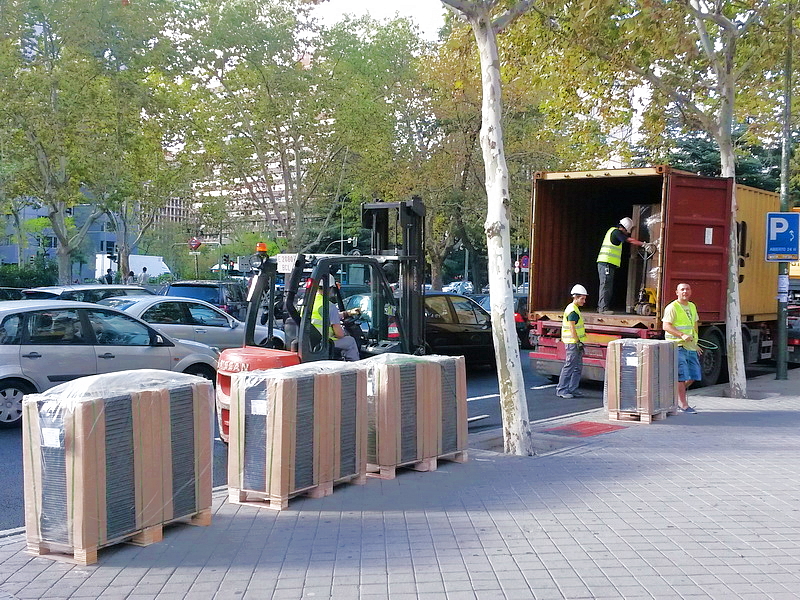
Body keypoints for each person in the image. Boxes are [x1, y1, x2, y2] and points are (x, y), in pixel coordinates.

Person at [596, 217, 652, 314]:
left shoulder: (613, 232)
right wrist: (643, 244)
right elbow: (629, 240)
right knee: (605, 285)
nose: (628, 233)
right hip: (606, 263)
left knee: (607, 286)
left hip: (608, 264)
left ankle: (602, 307)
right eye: (628, 231)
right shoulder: (616, 232)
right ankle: (602, 308)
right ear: (624, 228)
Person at [663, 282, 701, 414]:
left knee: (694, 375)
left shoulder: (692, 306)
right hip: (677, 346)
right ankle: (683, 404)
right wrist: (681, 335)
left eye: (687, 289)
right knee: (681, 376)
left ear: (691, 292)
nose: (685, 292)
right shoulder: (672, 307)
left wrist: (696, 344)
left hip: (690, 346)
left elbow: (694, 325)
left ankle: (672, 395)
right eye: (682, 290)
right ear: (677, 292)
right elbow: (666, 326)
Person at [310, 275, 360, 361]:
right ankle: (354, 368)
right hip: (326, 342)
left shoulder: (310, 302)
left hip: (312, 341)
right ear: (330, 288)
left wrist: (348, 313)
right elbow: (339, 334)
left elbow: (325, 316)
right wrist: (345, 334)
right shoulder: (328, 306)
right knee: (350, 341)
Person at [556, 284, 588, 399]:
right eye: (582, 299)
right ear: (575, 297)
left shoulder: (574, 309)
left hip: (575, 342)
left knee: (577, 367)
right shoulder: (572, 310)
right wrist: (577, 341)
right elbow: (572, 328)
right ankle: (562, 390)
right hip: (572, 343)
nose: (584, 301)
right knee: (570, 366)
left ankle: (572, 389)